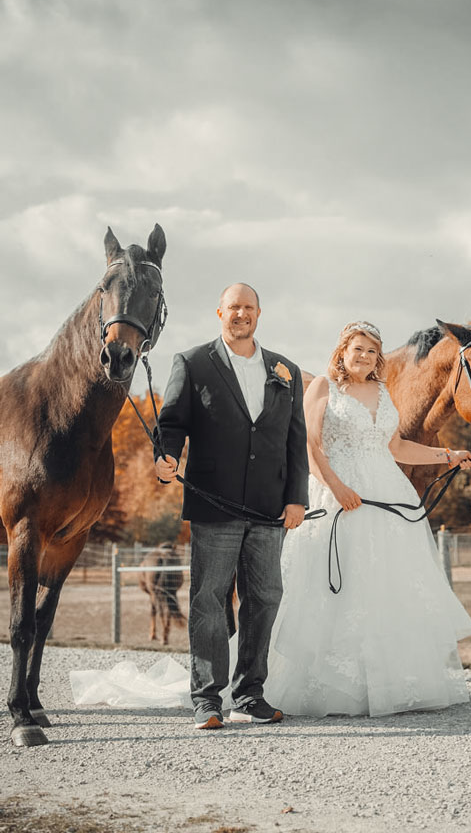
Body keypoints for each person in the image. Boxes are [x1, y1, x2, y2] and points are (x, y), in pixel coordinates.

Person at [262, 321, 471, 717]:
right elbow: (308, 447)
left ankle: (390, 682)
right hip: (338, 498)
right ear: (342, 350)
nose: (364, 356)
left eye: (372, 351)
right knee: (333, 590)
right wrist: (338, 487)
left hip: (387, 495)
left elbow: (395, 446)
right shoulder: (322, 387)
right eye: (357, 348)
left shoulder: (382, 391)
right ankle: (324, 686)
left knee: (386, 586)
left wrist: (447, 455)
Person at [154, 283, 309, 729]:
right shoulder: (193, 362)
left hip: (269, 509)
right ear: (218, 312)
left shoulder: (286, 370)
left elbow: (294, 441)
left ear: (259, 313)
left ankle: (249, 693)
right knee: (208, 599)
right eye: (233, 307)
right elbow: (172, 423)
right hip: (213, 503)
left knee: (264, 598)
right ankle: (207, 699)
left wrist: (296, 497)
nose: (241, 314)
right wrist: (164, 458)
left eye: (249, 307)